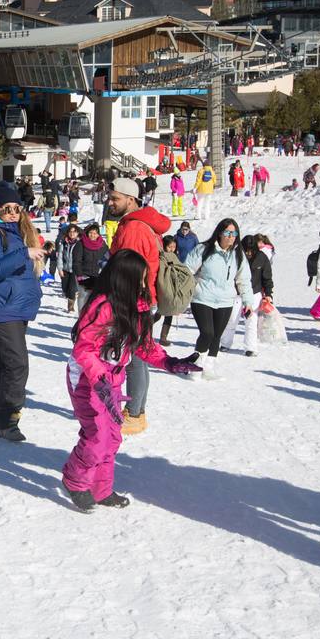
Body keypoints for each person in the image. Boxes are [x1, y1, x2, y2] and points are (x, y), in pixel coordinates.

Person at [61, 250, 200, 512]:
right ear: (124, 278)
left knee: (112, 438)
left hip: (111, 382)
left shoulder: (136, 307)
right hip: (87, 380)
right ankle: (75, 481)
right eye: (140, 279)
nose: (144, 285)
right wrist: (99, 378)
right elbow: (84, 349)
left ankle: (101, 490)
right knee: (97, 436)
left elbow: (144, 347)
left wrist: (170, 362)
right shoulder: (102, 306)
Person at [0, 182, 45, 442]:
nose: (13, 213)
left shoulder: (12, 231)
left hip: (12, 307)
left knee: (2, 363)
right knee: (17, 365)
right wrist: (24, 254)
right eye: (7, 209)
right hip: (1, 308)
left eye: (17, 208)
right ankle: (8, 419)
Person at [106, 177, 171, 434]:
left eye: (115, 198)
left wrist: (119, 300)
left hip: (134, 301)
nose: (110, 202)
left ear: (130, 200)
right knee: (139, 357)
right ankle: (137, 411)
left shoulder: (133, 228)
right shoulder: (140, 224)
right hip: (142, 300)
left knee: (133, 359)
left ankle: (134, 414)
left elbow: (129, 271)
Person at [185, 218, 256, 380]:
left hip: (225, 301)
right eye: (227, 233)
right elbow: (187, 270)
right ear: (220, 233)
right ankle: (196, 367)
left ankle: (208, 367)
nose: (231, 237)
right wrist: (184, 292)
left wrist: (248, 302)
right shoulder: (203, 249)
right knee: (207, 333)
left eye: (234, 233)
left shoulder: (238, 255)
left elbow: (243, 280)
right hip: (202, 297)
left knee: (217, 335)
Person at [72, 223, 109, 311]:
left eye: (95, 233)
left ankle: (89, 318)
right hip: (84, 274)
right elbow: (77, 261)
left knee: (94, 298)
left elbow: (107, 259)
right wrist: (79, 275)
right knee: (83, 296)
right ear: (87, 233)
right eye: (91, 233)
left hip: (97, 275)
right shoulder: (80, 244)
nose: (93, 235)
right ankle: (81, 316)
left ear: (98, 234)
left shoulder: (103, 245)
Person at [58, 224, 82, 314]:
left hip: (75, 269)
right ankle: (69, 295)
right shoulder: (64, 242)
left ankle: (71, 306)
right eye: (70, 232)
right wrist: (60, 269)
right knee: (65, 288)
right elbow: (60, 256)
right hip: (65, 269)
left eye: (74, 232)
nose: (72, 233)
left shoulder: (80, 243)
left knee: (72, 289)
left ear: (77, 233)